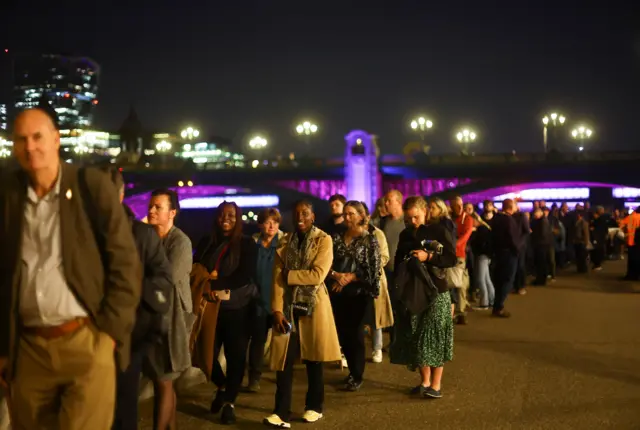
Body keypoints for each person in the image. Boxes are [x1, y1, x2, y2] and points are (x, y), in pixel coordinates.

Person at [0, 107, 141, 429]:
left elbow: (125, 262)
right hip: (28, 349)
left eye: (38, 137)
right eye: (21, 139)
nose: (30, 146)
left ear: (56, 139)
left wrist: (109, 336)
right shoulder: (8, 195)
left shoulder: (89, 186)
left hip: (85, 341)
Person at [104, 168, 174, 430]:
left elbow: (164, 282)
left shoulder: (143, 235)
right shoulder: (78, 232)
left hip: (128, 338)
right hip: (86, 337)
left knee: (123, 410)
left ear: (121, 194)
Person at [264, 200, 341, 428]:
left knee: (313, 360)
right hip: (287, 307)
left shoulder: (324, 240)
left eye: (305, 214)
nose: (300, 218)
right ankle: (280, 413)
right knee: (284, 362)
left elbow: (317, 275)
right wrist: (276, 309)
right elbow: (276, 278)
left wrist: (289, 276)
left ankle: (314, 407)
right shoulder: (285, 240)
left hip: (314, 306)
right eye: (297, 213)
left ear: (313, 216)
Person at [193, 201, 257, 425]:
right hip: (210, 308)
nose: (225, 219)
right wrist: (206, 287)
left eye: (231, 215)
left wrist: (215, 284)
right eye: (221, 215)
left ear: (238, 218)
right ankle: (221, 385)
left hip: (237, 309)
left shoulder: (248, 244)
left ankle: (230, 401)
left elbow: (245, 275)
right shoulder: (206, 242)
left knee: (236, 356)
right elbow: (196, 268)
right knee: (205, 352)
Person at [390, 197, 456, 399]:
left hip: (437, 289)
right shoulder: (405, 235)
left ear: (425, 211)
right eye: (408, 218)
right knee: (417, 336)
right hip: (413, 291)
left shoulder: (438, 230)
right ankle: (424, 382)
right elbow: (398, 260)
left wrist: (428, 257)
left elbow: (451, 258)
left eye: (416, 217)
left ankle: (436, 385)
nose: (413, 222)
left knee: (434, 336)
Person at [147, 189, 195, 429]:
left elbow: (169, 276)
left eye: (158, 207)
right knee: (163, 381)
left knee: (164, 379)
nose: (151, 210)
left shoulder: (181, 242)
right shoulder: (150, 238)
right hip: (156, 316)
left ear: (172, 213)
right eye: (151, 206)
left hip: (174, 317)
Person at [327, 201, 381, 391]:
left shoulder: (369, 239)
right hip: (337, 291)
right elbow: (326, 262)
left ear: (360, 215)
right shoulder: (336, 237)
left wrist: (351, 277)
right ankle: (351, 371)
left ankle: (357, 375)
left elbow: (374, 270)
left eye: (351, 214)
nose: (347, 217)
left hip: (358, 293)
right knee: (343, 333)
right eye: (346, 214)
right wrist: (336, 276)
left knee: (356, 333)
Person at [246, 208, 284, 392]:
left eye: (275, 222)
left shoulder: (284, 242)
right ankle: (254, 378)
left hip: (279, 299)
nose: (272, 226)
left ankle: (282, 378)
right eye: (268, 222)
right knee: (258, 339)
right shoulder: (253, 243)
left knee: (281, 340)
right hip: (257, 298)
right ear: (260, 224)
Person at [490, 199, 519, 318]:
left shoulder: (496, 219)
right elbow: (513, 238)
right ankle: (499, 306)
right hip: (508, 253)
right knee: (507, 280)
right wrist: (517, 250)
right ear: (511, 207)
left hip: (497, 252)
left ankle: (496, 305)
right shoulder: (509, 220)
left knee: (499, 279)